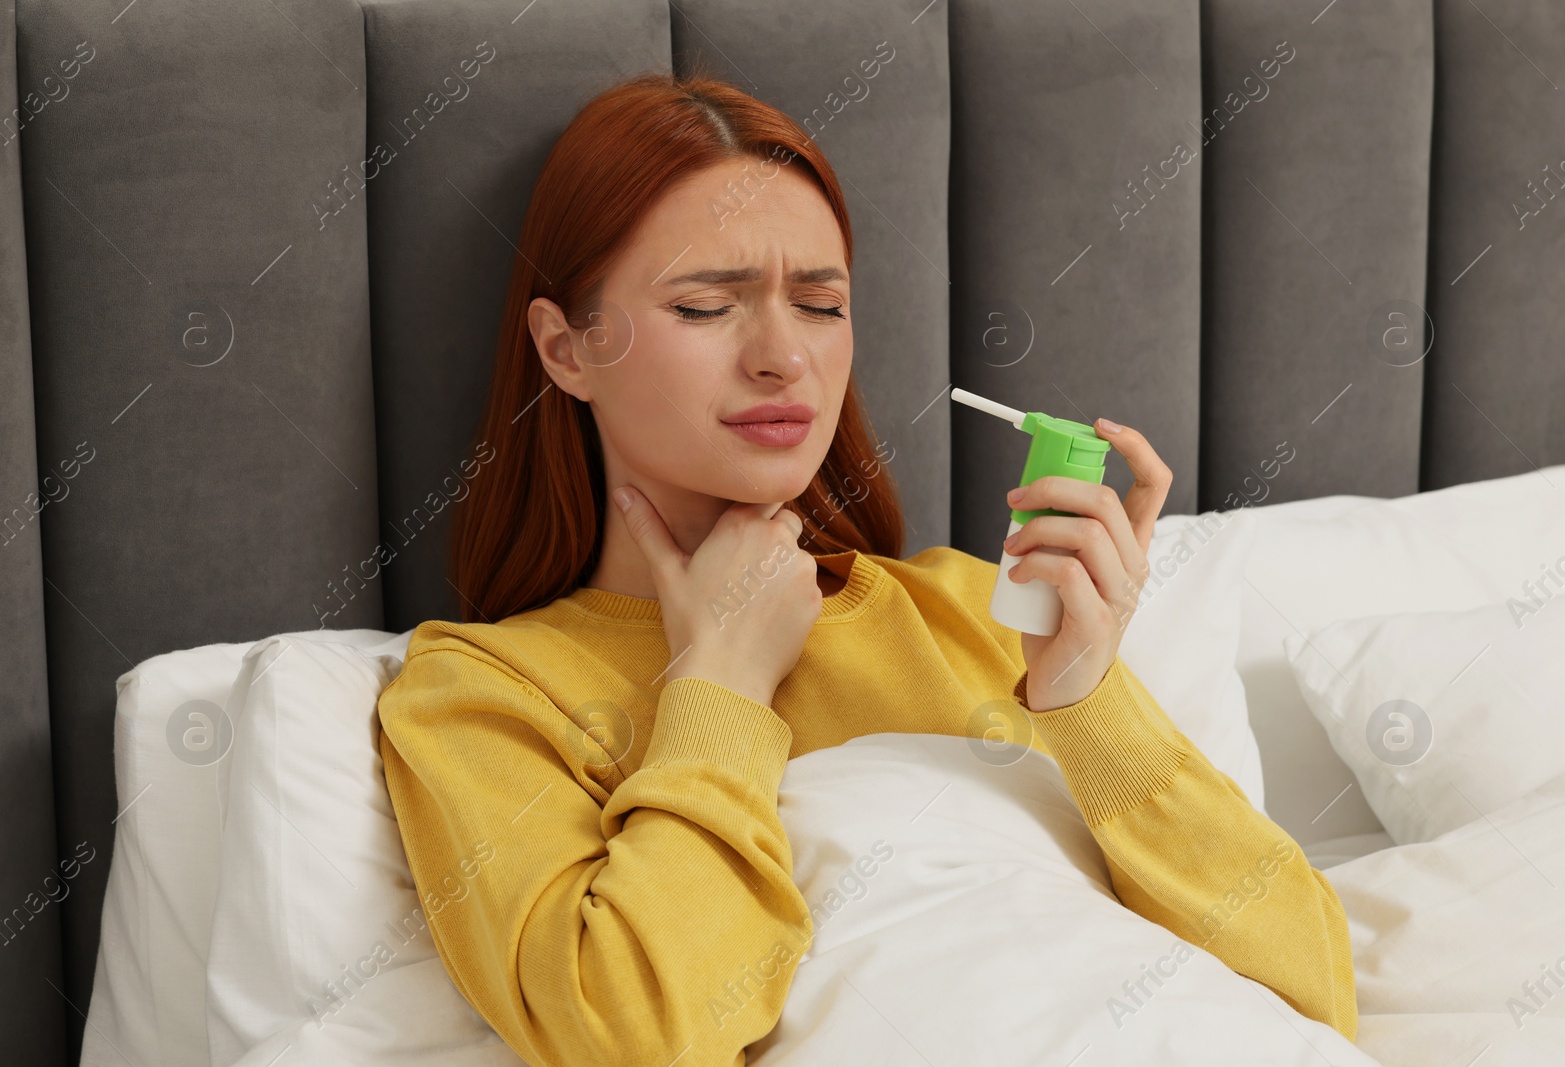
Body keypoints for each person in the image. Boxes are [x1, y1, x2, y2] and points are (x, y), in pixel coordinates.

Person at [375, 68, 1358, 1066]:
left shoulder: (971, 613)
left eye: (818, 301)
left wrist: (1086, 697)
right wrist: (718, 684)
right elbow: (636, 1037)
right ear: (566, 348)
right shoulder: (482, 696)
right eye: (707, 305)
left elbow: (1310, 984)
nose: (781, 357)